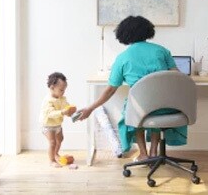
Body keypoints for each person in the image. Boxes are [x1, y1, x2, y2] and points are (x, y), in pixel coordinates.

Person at [78, 15, 187, 162]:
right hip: (166, 106)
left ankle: (143, 153)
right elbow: (176, 76)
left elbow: (110, 90)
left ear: (125, 34)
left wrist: (90, 108)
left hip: (140, 108)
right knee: (155, 106)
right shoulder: (162, 51)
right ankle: (154, 151)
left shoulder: (122, 58)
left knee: (135, 109)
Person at [39, 72, 76, 167]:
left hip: (57, 124)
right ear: (52, 88)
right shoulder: (48, 100)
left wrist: (70, 111)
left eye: (64, 90)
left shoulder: (62, 98)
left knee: (60, 139)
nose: (63, 92)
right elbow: (50, 114)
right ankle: (51, 161)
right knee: (52, 142)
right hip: (48, 125)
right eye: (61, 90)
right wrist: (63, 112)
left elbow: (65, 106)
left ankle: (55, 154)